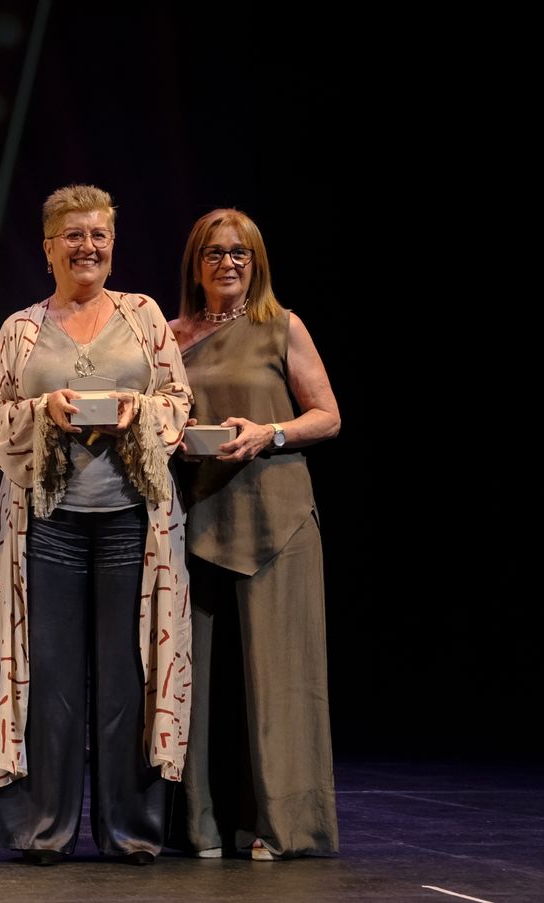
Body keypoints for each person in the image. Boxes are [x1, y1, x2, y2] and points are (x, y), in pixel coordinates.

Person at [0, 184, 191, 865]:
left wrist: (135, 408)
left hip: (132, 520)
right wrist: (45, 409)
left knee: (129, 673)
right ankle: (44, 829)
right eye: (73, 235)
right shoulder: (20, 328)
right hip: (47, 523)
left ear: (113, 244)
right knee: (51, 680)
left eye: (99, 234)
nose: (88, 246)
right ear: (48, 248)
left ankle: (131, 831)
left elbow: (177, 397)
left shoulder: (143, 315)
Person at [169, 208, 341, 861]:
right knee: (198, 682)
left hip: (276, 518)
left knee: (281, 679)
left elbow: (327, 416)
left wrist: (269, 433)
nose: (228, 263)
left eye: (239, 253)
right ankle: (201, 824)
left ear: (256, 262)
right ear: (196, 263)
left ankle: (282, 825)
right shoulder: (169, 336)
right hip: (198, 516)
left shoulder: (280, 326)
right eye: (214, 253)